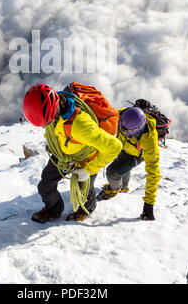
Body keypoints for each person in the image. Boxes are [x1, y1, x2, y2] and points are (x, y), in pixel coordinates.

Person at [22, 83, 123, 223]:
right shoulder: (54, 107)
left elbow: (114, 146)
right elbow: (55, 127)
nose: (46, 126)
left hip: (85, 159)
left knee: (84, 191)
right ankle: (54, 210)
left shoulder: (80, 125)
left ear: (54, 111)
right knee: (45, 185)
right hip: (63, 154)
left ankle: (86, 210)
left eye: (47, 122)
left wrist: (89, 169)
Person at [97, 106, 161, 221]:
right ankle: (123, 188)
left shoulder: (149, 141)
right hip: (124, 147)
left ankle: (113, 190)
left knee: (112, 173)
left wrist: (149, 205)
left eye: (126, 131)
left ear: (136, 130)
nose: (122, 131)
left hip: (135, 155)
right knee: (122, 166)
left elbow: (154, 173)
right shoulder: (121, 115)